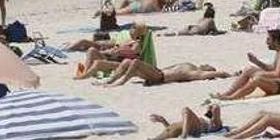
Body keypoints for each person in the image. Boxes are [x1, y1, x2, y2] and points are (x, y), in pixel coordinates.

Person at [212, 30, 280, 100]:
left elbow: (277, 74)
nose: (266, 42)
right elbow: (272, 68)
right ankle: (227, 93)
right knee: (249, 70)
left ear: (276, 41)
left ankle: (232, 97)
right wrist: (256, 62)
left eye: (268, 39)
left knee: (258, 79)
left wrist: (260, 74)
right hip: (279, 83)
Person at [90, 59, 230, 87]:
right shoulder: (190, 64)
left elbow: (214, 74)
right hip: (157, 72)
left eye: (209, 67)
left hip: (160, 78)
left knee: (135, 62)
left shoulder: (195, 73)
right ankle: (108, 81)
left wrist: (227, 74)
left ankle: (120, 82)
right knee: (127, 62)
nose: (207, 64)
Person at [149, 104, 224, 140]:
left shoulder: (215, 124)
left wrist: (213, 109)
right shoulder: (205, 117)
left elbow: (216, 107)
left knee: (186, 110)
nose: (210, 108)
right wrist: (163, 121)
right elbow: (176, 131)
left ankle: (184, 135)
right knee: (170, 131)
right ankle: (184, 135)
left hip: (197, 128)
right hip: (173, 130)